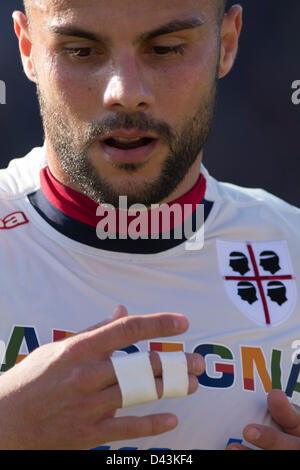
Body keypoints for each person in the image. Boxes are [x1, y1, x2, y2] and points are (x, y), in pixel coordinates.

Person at [1, 0, 300, 450]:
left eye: (165, 48)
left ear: (227, 42)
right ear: (27, 48)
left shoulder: (291, 245)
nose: (124, 91)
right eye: (81, 51)